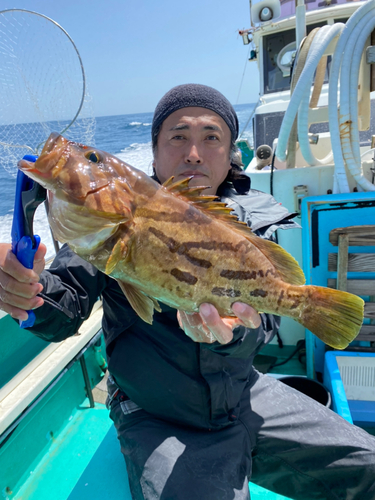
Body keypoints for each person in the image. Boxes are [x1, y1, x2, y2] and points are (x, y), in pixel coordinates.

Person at [0, 84, 375, 500]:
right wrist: (27, 293)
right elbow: (64, 304)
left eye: (211, 137)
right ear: (155, 152)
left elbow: (264, 320)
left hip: (245, 393)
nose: (193, 152)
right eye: (178, 136)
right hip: (156, 414)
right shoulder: (106, 228)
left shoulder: (251, 219)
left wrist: (234, 333)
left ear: (231, 150)